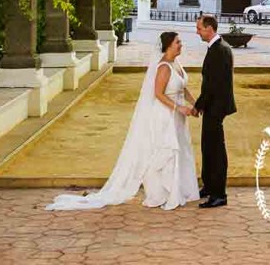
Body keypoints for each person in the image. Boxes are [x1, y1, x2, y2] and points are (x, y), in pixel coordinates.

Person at [45, 31, 200, 211]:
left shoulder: (176, 64)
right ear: (168, 46)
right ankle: (161, 193)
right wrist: (178, 108)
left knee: (179, 149)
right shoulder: (164, 67)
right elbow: (158, 94)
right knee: (164, 151)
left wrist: (194, 103)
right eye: (177, 42)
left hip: (177, 117)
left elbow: (182, 87)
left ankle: (178, 189)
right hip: (165, 115)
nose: (181, 45)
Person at [193, 14, 237, 208]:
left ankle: (219, 194)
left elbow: (212, 85)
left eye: (199, 28)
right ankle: (209, 186)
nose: (197, 32)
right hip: (213, 106)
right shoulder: (218, 48)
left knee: (216, 150)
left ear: (209, 28)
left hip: (216, 107)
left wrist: (198, 105)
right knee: (207, 147)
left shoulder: (220, 50)